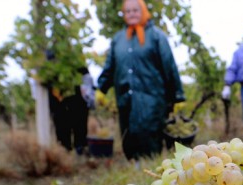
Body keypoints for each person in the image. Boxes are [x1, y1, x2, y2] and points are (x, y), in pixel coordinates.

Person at [97, 0, 185, 161]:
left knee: (150, 139)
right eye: (128, 11)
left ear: (143, 11)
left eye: (135, 10)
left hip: (152, 99)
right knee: (129, 138)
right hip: (126, 100)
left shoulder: (156, 36)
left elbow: (169, 66)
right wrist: (101, 88)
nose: (131, 14)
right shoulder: (119, 39)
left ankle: (152, 171)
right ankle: (134, 171)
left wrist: (177, 96)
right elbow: (110, 66)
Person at [47, 53, 95, 155]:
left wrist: (89, 99)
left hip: (77, 102)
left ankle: (78, 153)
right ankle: (66, 157)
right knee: (63, 135)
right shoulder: (48, 58)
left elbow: (87, 81)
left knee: (79, 134)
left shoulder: (75, 59)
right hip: (59, 104)